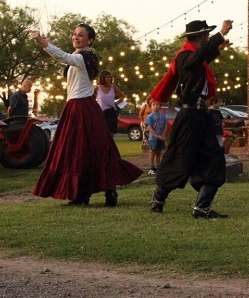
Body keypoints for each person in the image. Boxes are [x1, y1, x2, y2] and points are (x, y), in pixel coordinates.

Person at [28, 24, 142, 206]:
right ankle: (89, 192)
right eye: (74, 34)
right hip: (80, 106)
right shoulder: (81, 57)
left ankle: (93, 192)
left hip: (81, 107)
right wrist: (47, 43)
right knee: (87, 150)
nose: (75, 37)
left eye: (80, 35)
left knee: (80, 150)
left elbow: (63, 56)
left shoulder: (83, 57)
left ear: (90, 40)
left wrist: (41, 42)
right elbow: (64, 57)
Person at [149, 19, 233, 219]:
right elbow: (195, 60)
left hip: (201, 117)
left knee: (214, 159)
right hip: (189, 119)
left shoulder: (193, 58)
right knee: (179, 159)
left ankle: (202, 207)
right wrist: (219, 34)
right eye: (207, 36)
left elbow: (201, 59)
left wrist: (217, 46)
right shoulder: (184, 57)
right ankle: (158, 198)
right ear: (202, 36)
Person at [95, 70, 126, 135]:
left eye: (110, 77)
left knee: (111, 133)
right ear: (103, 78)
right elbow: (90, 96)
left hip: (111, 112)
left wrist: (117, 102)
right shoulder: (97, 88)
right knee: (102, 133)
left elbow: (122, 96)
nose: (109, 79)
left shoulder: (113, 87)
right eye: (107, 77)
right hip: (101, 113)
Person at [145, 100, 168, 175]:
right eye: (153, 105)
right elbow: (149, 127)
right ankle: (151, 167)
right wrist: (155, 135)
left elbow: (166, 126)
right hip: (153, 138)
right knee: (152, 152)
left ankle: (158, 167)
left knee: (159, 152)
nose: (155, 106)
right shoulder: (150, 116)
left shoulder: (163, 116)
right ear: (151, 107)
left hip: (161, 137)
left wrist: (162, 135)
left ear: (160, 106)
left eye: (157, 105)